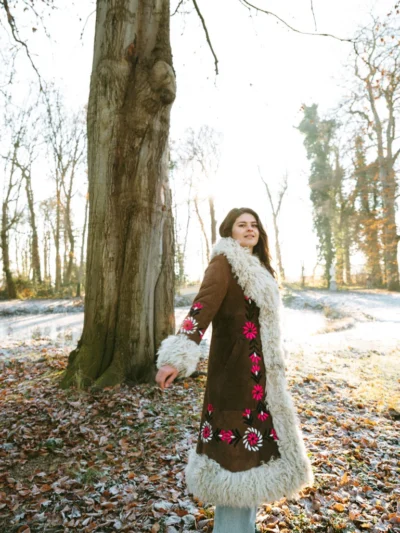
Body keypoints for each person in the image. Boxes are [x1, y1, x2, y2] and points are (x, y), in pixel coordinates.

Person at [155, 208, 314, 533]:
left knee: (252, 464)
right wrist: (177, 356)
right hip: (233, 382)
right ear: (229, 231)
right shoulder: (223, 264)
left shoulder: (259, 269)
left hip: (261, 386)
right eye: (242, 224)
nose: (249, 229)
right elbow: (201, 308)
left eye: (254, 225)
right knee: (230, 464)